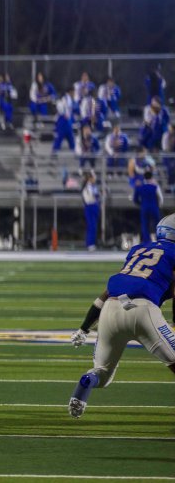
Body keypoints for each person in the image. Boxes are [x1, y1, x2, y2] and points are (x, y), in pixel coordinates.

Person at [67, 214, 175, 418]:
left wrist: (84, 328)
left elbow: (104, 296)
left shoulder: (139, 250)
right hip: (143, 310)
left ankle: (84, 387)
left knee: (102, 374)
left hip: (110, 308)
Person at [133, 169, 164, 243]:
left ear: (144, 178)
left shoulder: (140, 187)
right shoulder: (155, 186)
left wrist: (141, 204)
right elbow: (161, 198)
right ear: (151, 177)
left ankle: (147, 242)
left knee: (145, 225)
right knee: (157, 225)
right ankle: (159, 241)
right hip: (154, 207)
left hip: (144, 208)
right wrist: (159, 206)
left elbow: (135, 199)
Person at [81, 171, 100, 251]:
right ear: (90, 178)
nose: (95, 179)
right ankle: (90, 243)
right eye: (93, 178)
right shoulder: (87, 187)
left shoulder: (92, 186)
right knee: (91, 226)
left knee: (94, 226)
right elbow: (91, 197)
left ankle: (92, 243)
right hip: (90, 206)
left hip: (94, 206)